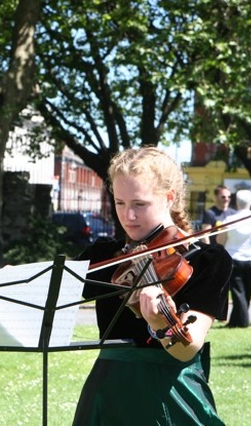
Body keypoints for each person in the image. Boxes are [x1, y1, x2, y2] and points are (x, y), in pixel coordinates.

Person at [73, 147, 232, 425]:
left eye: (140, 204)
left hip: (170, 395)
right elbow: (51, 291)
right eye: (120, 203)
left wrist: (160, 324)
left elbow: (188, 347)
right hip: (108, 391)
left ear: (169, 198)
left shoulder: (207, 260)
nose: (128, 216)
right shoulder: (104, 256)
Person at [216, 189, 251, 328]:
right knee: (247, 290)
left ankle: (243, 321)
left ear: (236, 202)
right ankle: (235, 321)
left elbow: (220, 240)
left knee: (238, 292)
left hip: (234, 258)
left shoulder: (229, 219)